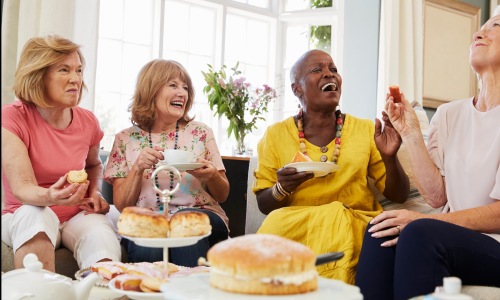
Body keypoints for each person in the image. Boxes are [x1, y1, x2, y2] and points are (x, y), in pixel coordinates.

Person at [355, 15, 500, 300]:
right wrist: (409, 132)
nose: (479, 34)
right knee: (381, 230)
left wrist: (427, 224)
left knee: (420, 233)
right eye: (478, 29)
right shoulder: (449, 114)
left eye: (495, 26)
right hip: (453, 237)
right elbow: (437, 197)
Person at [253, 49, 410, 284]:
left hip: (351, 221)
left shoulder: (365, 129)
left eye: (333, 69)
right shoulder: (275, 135)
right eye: (318, 70)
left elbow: (399, 195)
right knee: (274, 223)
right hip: (296, 225)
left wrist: (390, 156)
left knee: (338, 220)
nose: (329, 75)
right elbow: (265, 205)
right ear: (297, 89)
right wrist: (281, 188)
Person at [1, 35, 121, 271]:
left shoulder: (88, 121)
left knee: (100, 233)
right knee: (33, 216)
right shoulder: (13, 117)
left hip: (76, 214)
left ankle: (105, 294)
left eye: (78, 70)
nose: (76, 79)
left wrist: (95, 192)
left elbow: (94, 165)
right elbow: (22, 188)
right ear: (38, 75)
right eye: (64, 70)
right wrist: (51, 197)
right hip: (24, 212)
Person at [104, 59, 230, 267]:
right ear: (151, 90)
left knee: (185, 225)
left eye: (185, 88)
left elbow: (223, 194)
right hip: (149, 221)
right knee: (149, 242)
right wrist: (138, 167)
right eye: (173, 85)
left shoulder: (201, 133)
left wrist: (211, 176)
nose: (182, 93)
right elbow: (123, 205)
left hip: (201, 216)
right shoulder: (125, 139)